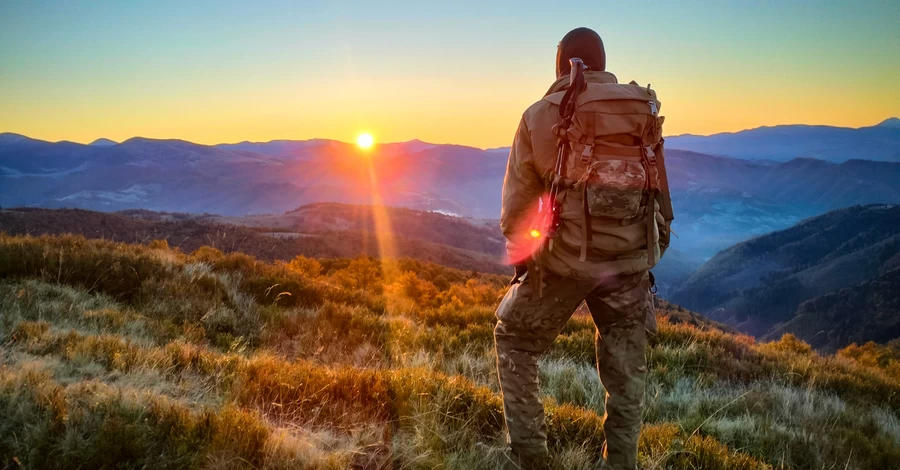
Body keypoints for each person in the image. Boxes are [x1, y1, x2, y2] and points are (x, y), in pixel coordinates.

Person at [495, 27, 673, 470]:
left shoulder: (539, 115)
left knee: (514, 339)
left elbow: (515, 212)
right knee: (626, 375)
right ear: (602, 60)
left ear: (561, 64)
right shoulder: (638, 112)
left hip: (562, 262)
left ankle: (533, 458)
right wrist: (649, 251)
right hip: (630, 263)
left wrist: (526, 262)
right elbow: (660, 198)